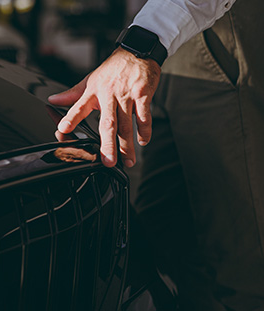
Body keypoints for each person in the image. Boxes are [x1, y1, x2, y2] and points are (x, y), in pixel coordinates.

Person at [48, 0, 264, 310]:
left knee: (245, 266)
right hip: (173, 39)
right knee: (164, 243)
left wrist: (142, 45)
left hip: (213, 31)